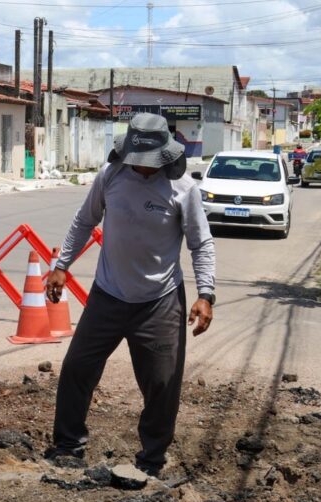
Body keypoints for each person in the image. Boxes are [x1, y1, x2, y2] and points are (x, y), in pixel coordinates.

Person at [44, 113, 215, 477]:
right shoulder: (110, 176)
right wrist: (61, 265)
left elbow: (200, 244)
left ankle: (151, 460)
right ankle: (68, 446)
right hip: (108, 294)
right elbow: (84, 221)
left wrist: (206, 293)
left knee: (163, 384)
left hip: (160, 301)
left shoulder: (183, 189)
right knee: (77, 368)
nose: (142, 167)